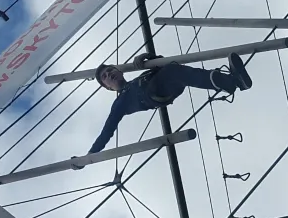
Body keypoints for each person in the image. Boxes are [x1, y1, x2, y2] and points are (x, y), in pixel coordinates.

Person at [87, 53, 252, 154]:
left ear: (119, 71)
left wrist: (148, 57)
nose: (109, 74)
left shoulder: (139, 78)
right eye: (105, 77)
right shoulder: (119, 103)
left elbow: (161, 64)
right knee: (172, 72)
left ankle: (233, 81)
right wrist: (90, 155)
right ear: (109, 88)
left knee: (174, 70)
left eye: (110, 70)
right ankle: (230, 82)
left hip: (165, 86)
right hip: (153, 95)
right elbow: (107, 131)